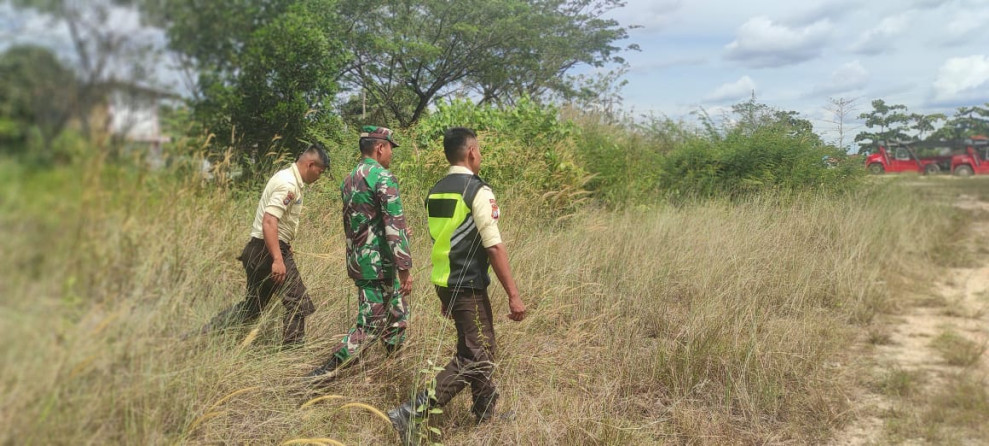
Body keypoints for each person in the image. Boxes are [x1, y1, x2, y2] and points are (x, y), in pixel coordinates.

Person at [387, 127, 525, 444]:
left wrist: (445, 294)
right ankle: (411, 412)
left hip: (446, 282)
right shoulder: (477, 190)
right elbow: (493, 247)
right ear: (471, 152)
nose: (480, 155)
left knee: (478, 346)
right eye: (479, 150)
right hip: (467, 284)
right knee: (477, 355)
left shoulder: (437, 190)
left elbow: (443, 239)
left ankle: (485, 414)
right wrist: (514, 296)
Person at [307, 126, 413, 378]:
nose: (391, 154)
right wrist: (405, 269)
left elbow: (363, 221)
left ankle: (391, 371)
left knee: (396, 318)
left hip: (360, 261)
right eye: (390, 148)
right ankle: (324, 374)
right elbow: (393, 225)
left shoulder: (350, 177)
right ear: (380, 148)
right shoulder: (383, 177)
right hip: (378, 264)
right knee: (370, 326)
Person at [199, 144, 329, 345]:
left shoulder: (286, 177)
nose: (318, 177)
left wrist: (283, 243)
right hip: (267, 253)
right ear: (311, 164)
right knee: (298, 303)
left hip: (259, 249)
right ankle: (292, 353)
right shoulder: (288, 184)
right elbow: (269, 221)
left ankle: (205, 331)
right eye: (319, 172)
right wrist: (277, 257)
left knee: (251, 309)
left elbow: (275, 222)